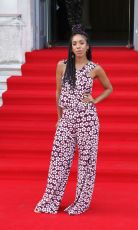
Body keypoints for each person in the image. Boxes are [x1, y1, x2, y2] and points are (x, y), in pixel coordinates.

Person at [34, 24, 113, 215]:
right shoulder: (62, 66)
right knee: (59, 160)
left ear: (87, 46)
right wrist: (59, 118)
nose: (78, 46)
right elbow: (58, 92)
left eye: (81, 43)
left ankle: (81, 202)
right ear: (71, 47)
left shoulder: (95, 68)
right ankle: (50, 201)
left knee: (86, 162)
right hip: (67, 118)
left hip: (88, 120)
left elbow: (109, 88)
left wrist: (94, 100)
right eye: (74, 43)